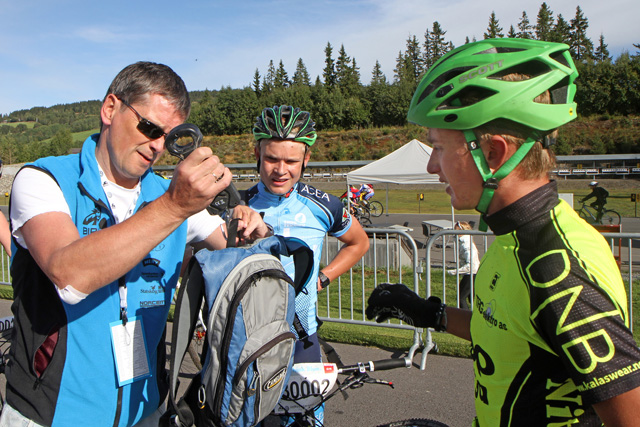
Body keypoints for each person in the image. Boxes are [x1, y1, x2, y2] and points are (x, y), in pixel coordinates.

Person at [365, 39, 640, 426]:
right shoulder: (517, 237)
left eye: (439, 147)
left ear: (492, 153)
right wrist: (432, 314)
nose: (431, 166)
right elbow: (511, 335)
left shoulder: (557, 269)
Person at [2, 62, 271, 427]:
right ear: (110, 109)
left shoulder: (169, 196)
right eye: (149, 127)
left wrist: (250, 227)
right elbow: (69, 274)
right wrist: (175, 206)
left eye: (168, 136)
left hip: (145, 409)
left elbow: (235, 248)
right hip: (53, 414)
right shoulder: (44, 179)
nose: (157, 146)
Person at [247, 105, 370, 425]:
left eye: (291, 161)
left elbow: (359, 242)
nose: (280, 170)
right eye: (272, 158)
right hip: (249, 340)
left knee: (305, 421)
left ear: (306, 159)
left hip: (302, 337)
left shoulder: (324, 205)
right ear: (257, 153)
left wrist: (324, 277)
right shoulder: (240, 205)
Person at [446, 221, 479, 309]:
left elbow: (471, 265)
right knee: (471, 298)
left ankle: (466, 318)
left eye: (456, 230)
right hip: (471, 273)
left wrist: (454, 271)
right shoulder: (463, 242)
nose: (454, 232)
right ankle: (473, 316)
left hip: (471, 273)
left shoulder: (466, 245)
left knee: (461, 298)